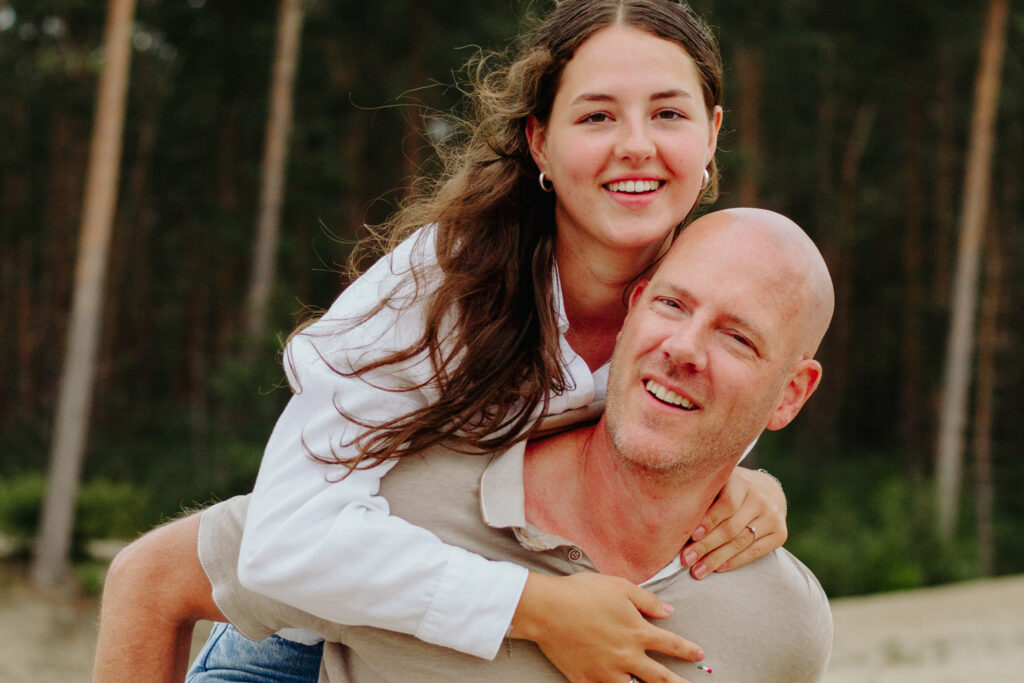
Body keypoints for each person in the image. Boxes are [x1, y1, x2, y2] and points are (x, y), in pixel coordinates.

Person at [97, 2, 792, 681]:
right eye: (597, 115)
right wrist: (537, 606)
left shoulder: (706, 310)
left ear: (712, 134)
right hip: (306, 648)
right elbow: (284, 541)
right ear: (540, 141)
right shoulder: (441, 286)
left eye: (668, 113)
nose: (636, 143)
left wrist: (751, 482)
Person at [94, 208, 835, 683]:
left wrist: (753, 481)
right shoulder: (405, 494)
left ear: (791, 394)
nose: (684, 347)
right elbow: (153, 581)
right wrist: (536, 606)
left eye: (737, 337)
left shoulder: (784, 623)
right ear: (635, 308)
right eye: (673, 303)